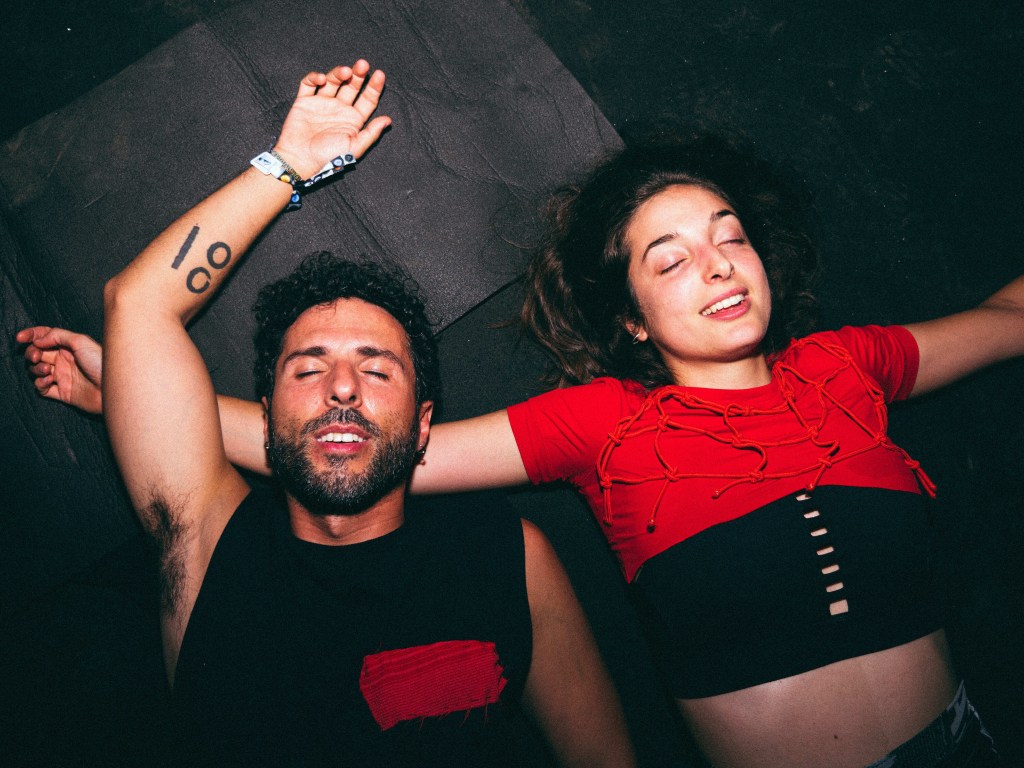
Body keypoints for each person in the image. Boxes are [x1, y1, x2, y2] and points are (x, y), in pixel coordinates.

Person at [21, 132, 1023, 767]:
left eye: (729, 238)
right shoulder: (601, 423)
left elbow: (1006, 319)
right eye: (671, 258)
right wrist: (135, 392)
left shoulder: (850, 364)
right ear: (631, 318)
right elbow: (364, 443)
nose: (718, 266)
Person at [20, 60, 636, 768]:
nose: (342, 387)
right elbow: (138, 303)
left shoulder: (506, 555)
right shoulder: (208, 541)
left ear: (424, 423)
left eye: (377, 369)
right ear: (266, 415)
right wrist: (286, 166)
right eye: (308, 368)